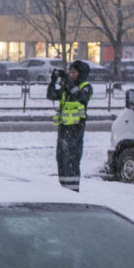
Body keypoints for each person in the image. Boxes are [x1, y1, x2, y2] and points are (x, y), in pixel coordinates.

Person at [47, 59, 92, 191]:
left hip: (75, 129)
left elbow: (80, 96)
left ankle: (73, 190)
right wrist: (53, 81)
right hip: (63, 128)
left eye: (74, 72)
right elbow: (51, 95)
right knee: (61, 159)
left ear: (81, 73)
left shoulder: (86, 87)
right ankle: (63, 189)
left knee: (71, 160)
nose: (71, 75)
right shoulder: (67, 87)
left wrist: (68, 82)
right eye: (70, 72)